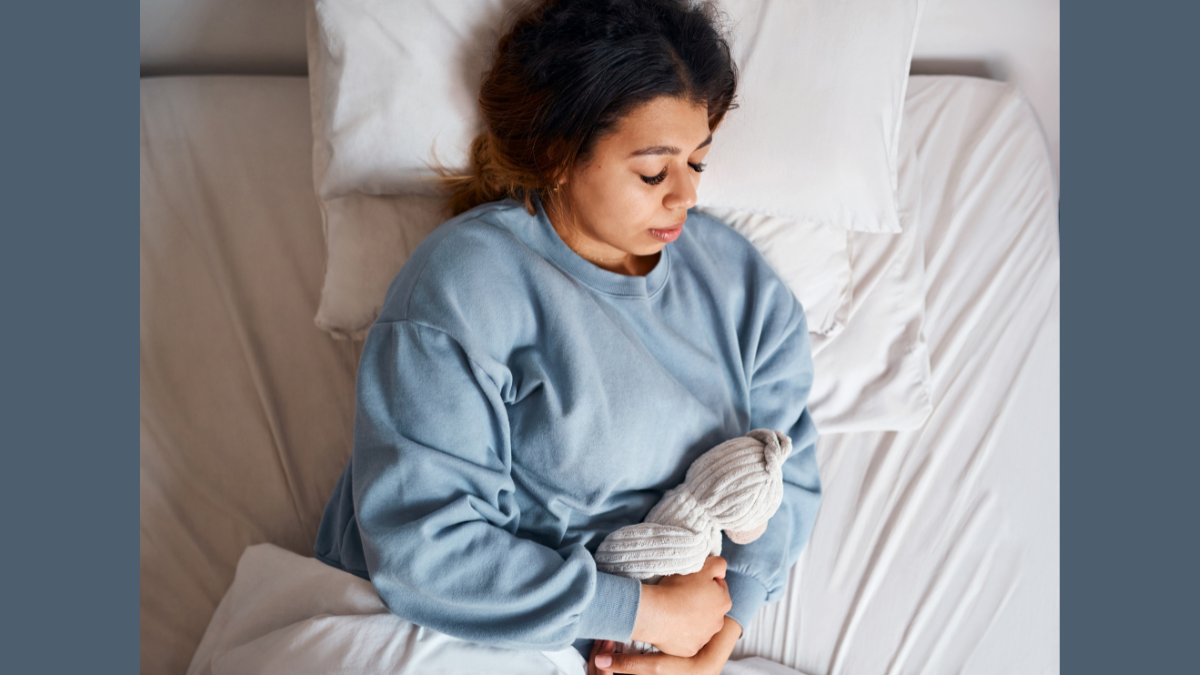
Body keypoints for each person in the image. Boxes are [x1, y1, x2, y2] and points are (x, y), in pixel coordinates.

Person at [314, 1, 822, 673]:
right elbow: (426, 550)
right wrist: (646, 612)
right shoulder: (464, 285)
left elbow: (785, 478)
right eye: (652, 171)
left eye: (697, 163)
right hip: (452, 635)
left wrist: (715, 636)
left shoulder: (741, 290)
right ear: (558, 155)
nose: (685, 198)